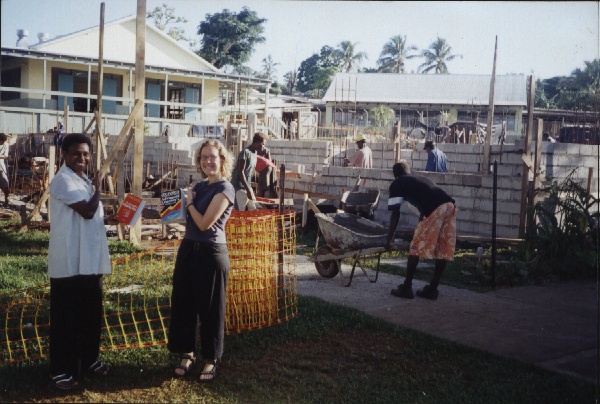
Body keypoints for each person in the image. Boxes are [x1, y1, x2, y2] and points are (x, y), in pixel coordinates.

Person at [47, 134, 114, 390]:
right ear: (64, 154)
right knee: (66, 319)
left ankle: (89, 360)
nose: (82, 158)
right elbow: (86, 211)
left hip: (89, 260)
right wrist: (98, 190)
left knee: (90, 315)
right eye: (76, 153)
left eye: (86, 154)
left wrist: (110, 220)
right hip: (69, 262)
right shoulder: (62, 180)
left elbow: (91, 215)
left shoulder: (83, 180)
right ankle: (59, 370)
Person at [167, 140, 234, 383]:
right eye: (204, 157)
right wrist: (172, 210)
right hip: (188, 250)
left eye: (212, 157)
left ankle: (211, 359)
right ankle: (187, 354)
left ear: (222, 160)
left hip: (211, 252)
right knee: (184, 304)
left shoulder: (225, 189)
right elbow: (190, 222)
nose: (208, 161)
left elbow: (205, 224)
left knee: (210, 309)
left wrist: (189, 203)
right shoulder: (200, 186)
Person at [385, 161, 457, 300]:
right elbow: (426, 199)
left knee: (415, 247)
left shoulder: (397, 183)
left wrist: (389, 238)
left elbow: (395, 213)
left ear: (395, 175)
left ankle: (406, 288)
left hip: (435, 210)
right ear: (408, 171)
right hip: (449, 206)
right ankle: (433, 289)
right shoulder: (419, 179)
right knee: (442, 249)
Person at [231, 132, 266, 210]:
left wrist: (249, 189)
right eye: (263, 144)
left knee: (253, 209)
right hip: (239, 187)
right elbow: (241, 172)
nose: (263, 147)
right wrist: (248, 189)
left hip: (247, 186)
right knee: (241, 210)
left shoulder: (255, 153)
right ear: (257, 143)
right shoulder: (245, 152)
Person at [0, 133, 10, 207]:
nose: (3, 142)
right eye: (2, 141)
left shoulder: (6, 145)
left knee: (5, 183)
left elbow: (5, 156)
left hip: (1, 167)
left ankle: (7, 199)